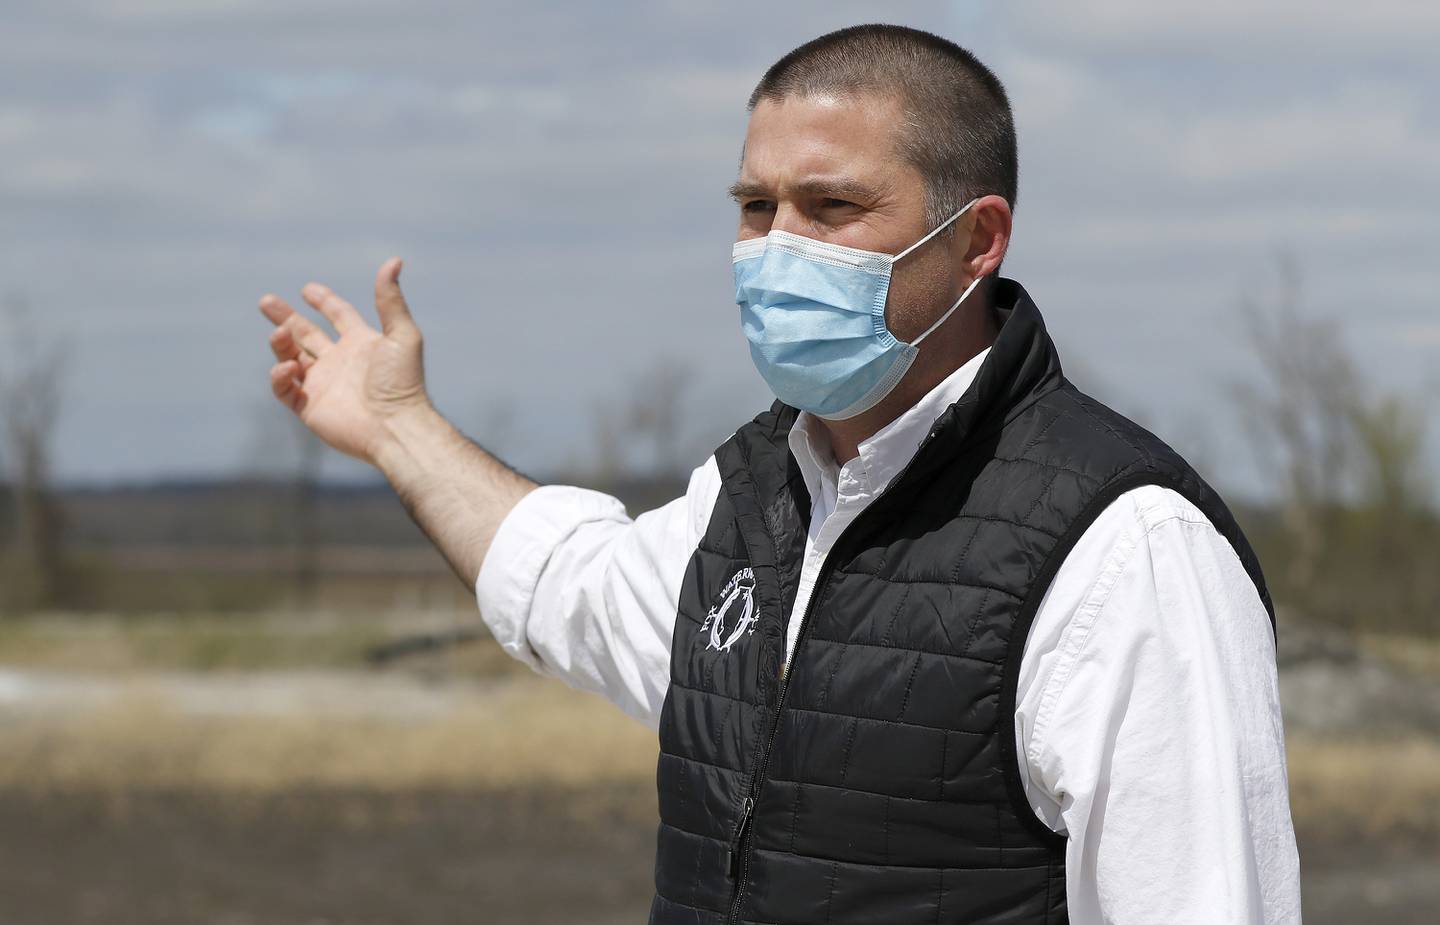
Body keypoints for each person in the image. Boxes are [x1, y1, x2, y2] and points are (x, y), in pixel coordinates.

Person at [256, 23, 1300, 925]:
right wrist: (399, 428)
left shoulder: (1125, 548)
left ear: (977, 239)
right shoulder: (753, 496)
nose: (776, 247)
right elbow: (569, 586)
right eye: (756, 208)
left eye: (832, 207)